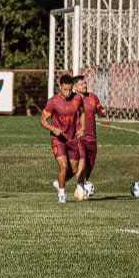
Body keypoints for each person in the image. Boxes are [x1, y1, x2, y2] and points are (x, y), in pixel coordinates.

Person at [39, 73, 87, 203]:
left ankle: (59, 182)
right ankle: (61, 195)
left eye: (70, 89)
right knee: (63, 166)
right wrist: (52, 128)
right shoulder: (53, 102)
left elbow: (82, 112)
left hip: (72, 138)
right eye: (64, 89)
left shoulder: (77, 99)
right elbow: (42, 120)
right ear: (60, 87)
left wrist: (83, 128)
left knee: (74, 169)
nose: (67, 92)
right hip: (58, 139)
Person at [72, 75, 106, 195]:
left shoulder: (92, 97)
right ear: (75, 87)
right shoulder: (72, 100)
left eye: (85, 83)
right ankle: (80, 188)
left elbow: (99, 108)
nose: (85, 85)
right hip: (79, 137)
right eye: (82, 84)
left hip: (92, 138)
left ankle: (81, 187)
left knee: (90, 165)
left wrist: (102, 111)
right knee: (82, 161)